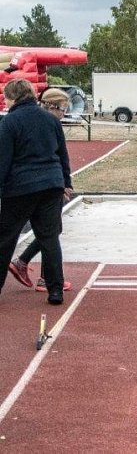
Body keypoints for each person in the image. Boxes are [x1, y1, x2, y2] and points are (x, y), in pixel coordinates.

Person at [0, 80, 73, 305]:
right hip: (52, 184)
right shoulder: (52, 120)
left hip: (20, 188)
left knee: (5, 239)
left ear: (12, 98)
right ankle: (55, 290)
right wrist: (66, 182)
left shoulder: (9, 122)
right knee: (50, 239)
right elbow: (63, 155)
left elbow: (4, 160)